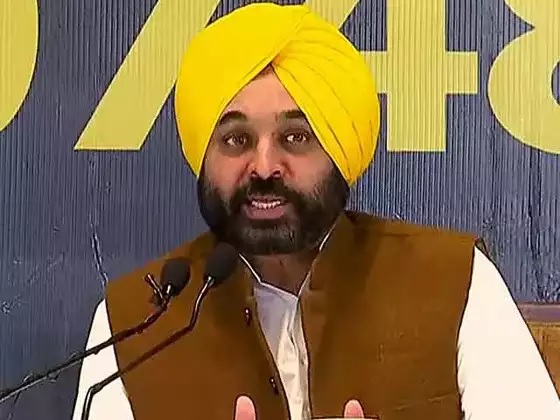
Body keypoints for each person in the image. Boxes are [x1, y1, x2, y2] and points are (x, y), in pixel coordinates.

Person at [71, 3, 560, 420]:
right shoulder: (137, 319)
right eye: (237, 139)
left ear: (338, 152)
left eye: (296, 137)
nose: (264, 166)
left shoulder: (452, 279)